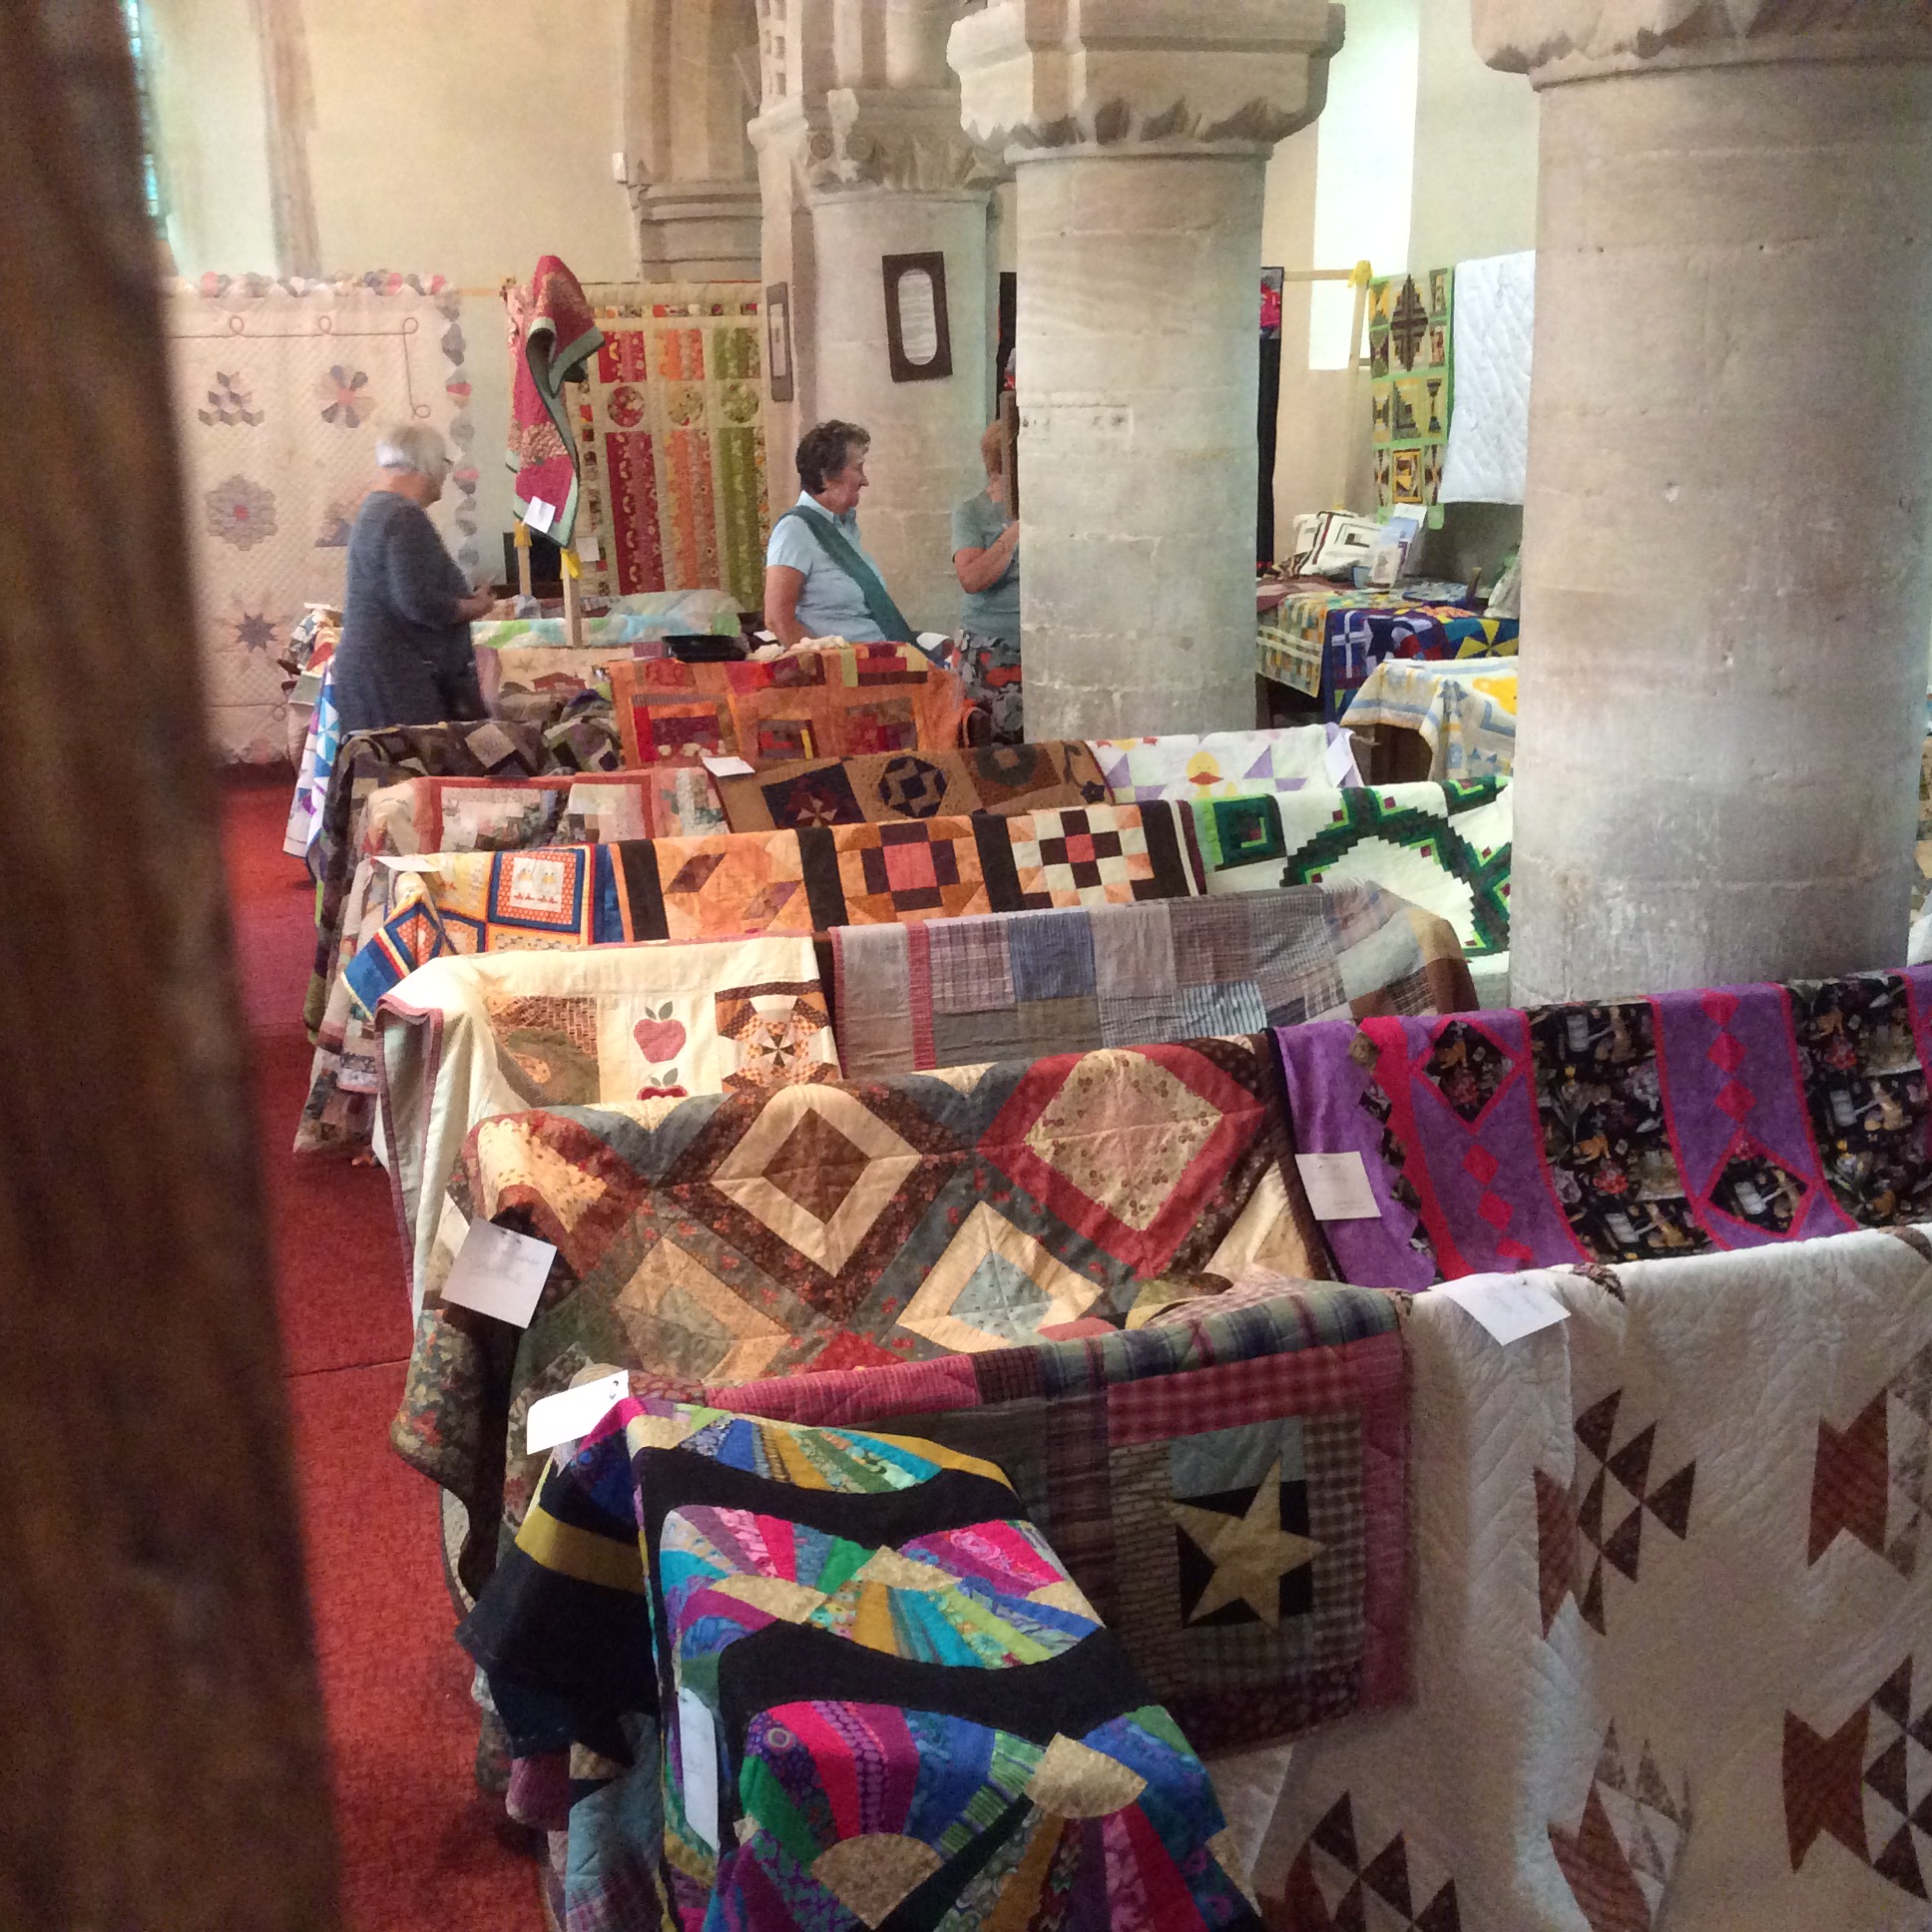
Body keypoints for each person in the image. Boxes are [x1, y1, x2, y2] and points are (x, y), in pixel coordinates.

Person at [331, 422, 495, 734]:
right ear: (428, 463)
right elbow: (419, 603)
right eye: (444, 464)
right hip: (393, 674)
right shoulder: (403, 515)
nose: (444, 476)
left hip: (375, 666)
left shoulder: (377, 507)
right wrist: (476, 607)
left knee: (384, 760)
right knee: (414, 758)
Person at [763, 419, 916, 650]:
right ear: (826, 476)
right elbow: (777, 620)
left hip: (877, 656)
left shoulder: (844, 528)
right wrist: (831, 663)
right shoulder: (794, 530)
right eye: (858, 468)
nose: (865, 480)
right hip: (846, 666)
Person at [951, 421, 1023, 741]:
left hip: (1039, 647)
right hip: (991, 650)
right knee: (992, 748)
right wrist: (1017, 529)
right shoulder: (972, 512)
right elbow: (972, 578)